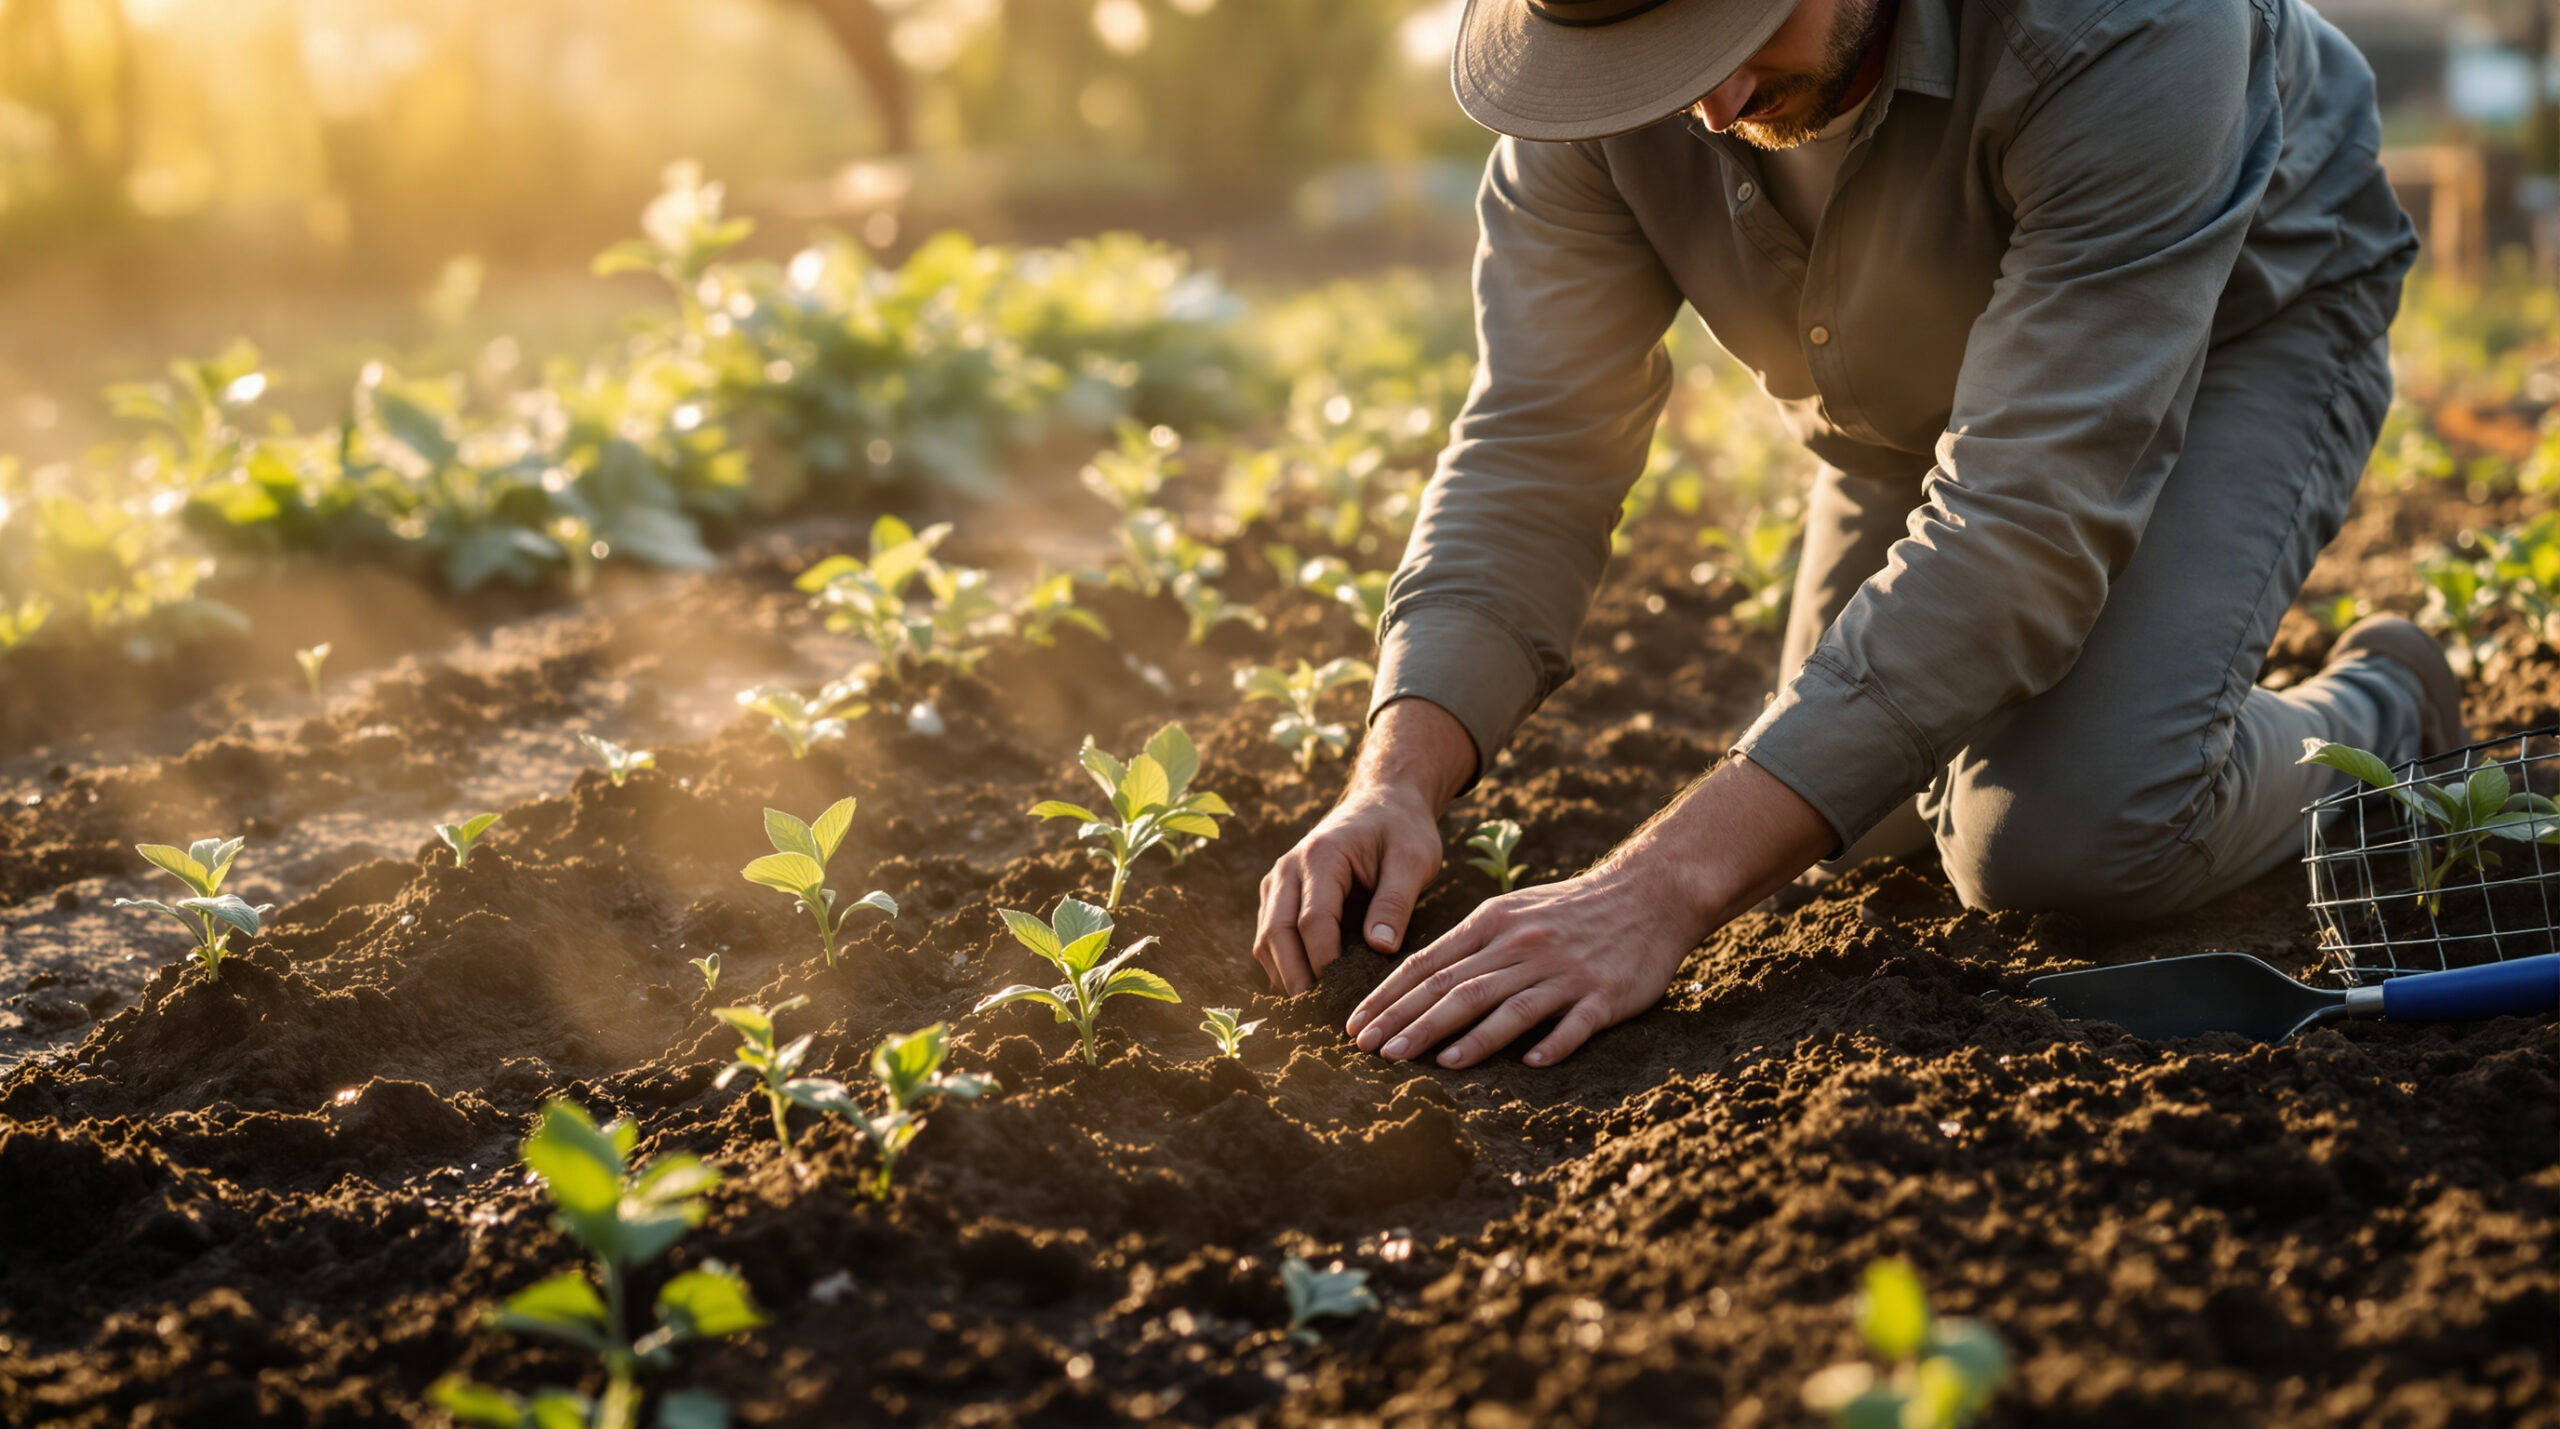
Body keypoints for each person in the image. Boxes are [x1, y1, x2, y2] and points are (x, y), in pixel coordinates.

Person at [1249, 0, 2468, 1072]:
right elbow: (1534, 445)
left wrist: (1654, 886)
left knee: (2065, 839)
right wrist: (1395, 780)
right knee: (1852, 826)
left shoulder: (2128, 24)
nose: (1712, 109)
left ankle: (2381, 708)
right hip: (1906, 389)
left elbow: (2022, 520)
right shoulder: (1596, 81)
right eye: (1659, 67)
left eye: (1730, 37)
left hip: (2239, 324)